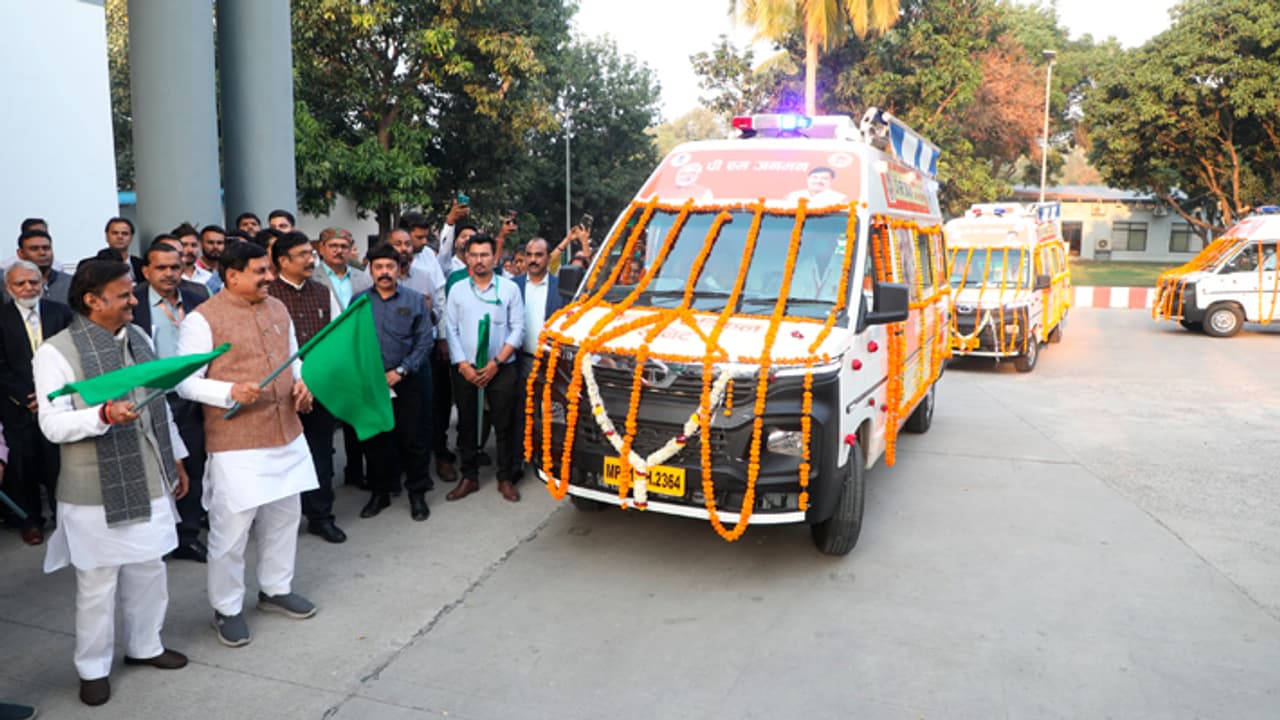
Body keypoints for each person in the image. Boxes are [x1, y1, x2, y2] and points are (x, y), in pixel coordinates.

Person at [34, 260, 191, 706]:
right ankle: (93, 667)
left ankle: (146, 646)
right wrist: (101, 415)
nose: (134, 301)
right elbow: (52, 425)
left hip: (150, 474)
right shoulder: (56, 352)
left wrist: (176, 457)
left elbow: (157, 402)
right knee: (98, 583)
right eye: (124, 295)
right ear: (92, 300)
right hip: (93, 492)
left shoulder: (138, 338)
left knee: (150, 569)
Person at [176, 241, 319, 648]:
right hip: (237, 441)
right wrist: (230, 391)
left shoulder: (278, 308)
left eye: (268, 270)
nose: (269, 278)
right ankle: (227, 608)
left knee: (285, 516)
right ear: (231, 274)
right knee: (231, 531)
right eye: (260, 272)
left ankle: (275, 588)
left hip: (286, 432)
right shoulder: (202, 320)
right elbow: (185, 382)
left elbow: (294, 359)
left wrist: (304, 382)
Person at [132, 241, 209, 562]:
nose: (168, 274)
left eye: (174, 267)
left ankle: (187, 535)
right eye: (160, 268)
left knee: (193, 462)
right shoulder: (133, 301)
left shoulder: (197, 297)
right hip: (149, 396)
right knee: (154, 466)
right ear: (147, 270)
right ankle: (157, 537)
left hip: (191, 396)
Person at [268, 232, 347, 544]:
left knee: (320, 454)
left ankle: (321, 516)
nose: (310, 259)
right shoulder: (268, 297)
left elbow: (337, 337)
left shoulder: (322, 292)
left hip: (317, 388)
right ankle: (278, 523)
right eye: (302, 254)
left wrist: (316, 381)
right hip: (278, 391)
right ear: (283, 261)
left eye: (310, 253)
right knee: (280, 457)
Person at [355, 243, 434, 521]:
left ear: (399, 270)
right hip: (372, 384)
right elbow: (353, 341)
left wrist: (402, 370)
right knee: (376, 440)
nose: (385, 272)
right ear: (371, 270)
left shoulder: (414, 300)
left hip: (407, 380)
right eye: (378, 267)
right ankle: (381, 493)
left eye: (390, 266)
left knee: (413, 439)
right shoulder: (359, 301)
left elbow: (425, 340)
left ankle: (417, 494)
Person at [445, 233, 524, 502]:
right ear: (467, 257)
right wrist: (463, 365)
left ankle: (505, 478)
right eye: (474, 255)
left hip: (501, 368)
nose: (479, 260)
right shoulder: (457, 290)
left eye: (485, 255)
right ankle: (469, 477)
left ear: (495, 257)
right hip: (467, 369)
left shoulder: (509, 288)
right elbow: (451, 330)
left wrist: (496, 363)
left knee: (504, 425)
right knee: (467, 424)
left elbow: (518, 330)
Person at [0, 261, 72, 544]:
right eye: (21, 283)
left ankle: (64, 521)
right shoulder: (1, 318)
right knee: (22, 466)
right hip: (17, 406)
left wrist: (49, 394)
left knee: (59, 465)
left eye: (33, 282)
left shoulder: (60, 313)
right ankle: (31, 521)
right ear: (9, 288)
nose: (29, 288)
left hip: (57, 402)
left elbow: (71, 354)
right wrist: (28, 396)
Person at [311, 228, 374, 489]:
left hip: (357, 355)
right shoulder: (312, 277)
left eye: (344, 245)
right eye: (333, 245)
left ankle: (356, 470)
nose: (339, 250)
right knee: (323, 421)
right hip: (324, 356)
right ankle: (321, 483)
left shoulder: (363, 278)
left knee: (355, 416)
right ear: (322, 248)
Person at [14, 228, 71, 305]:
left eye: (46, 248)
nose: (42, 253)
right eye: (34, 249)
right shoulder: (9, 286)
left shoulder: (70, 283)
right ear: (20, 253)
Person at [96, 217, 145, 282]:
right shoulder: (90, 265)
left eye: (125, 233)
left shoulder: (141, 265)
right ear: (107, 236)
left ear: (131, 237)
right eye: (115, 233)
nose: (120, 237)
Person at [197, 224, 226, 294]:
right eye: (210, 242)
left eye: (220, 243)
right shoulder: (193, 269)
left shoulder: (229, 269)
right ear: (201, 244)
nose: (215, 247)